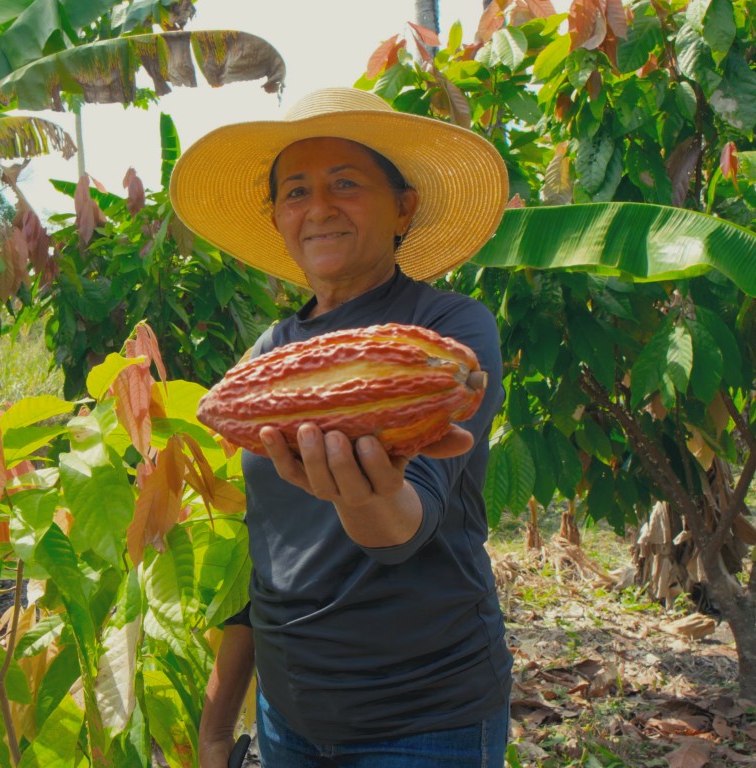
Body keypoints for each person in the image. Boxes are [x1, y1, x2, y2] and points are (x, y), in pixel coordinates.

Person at [168, 87, 513, 767]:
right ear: (277, 219)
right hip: (289, 714)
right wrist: (214, 729)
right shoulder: (268, 355)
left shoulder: (447, 331)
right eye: (296, 193)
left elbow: (400, 528)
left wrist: (365, 497)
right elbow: (260, 555)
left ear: (404, 207)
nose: (318, 207)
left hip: (424, 718)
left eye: (346, 184)